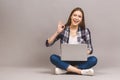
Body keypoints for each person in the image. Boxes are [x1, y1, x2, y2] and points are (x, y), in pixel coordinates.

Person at [45, 7, 97, 76]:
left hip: (80, 61)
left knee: (94, 59)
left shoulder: (85, 31)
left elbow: (90, 49)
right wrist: (57, 32)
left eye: (79, 16)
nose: (76, 18)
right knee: (53, 57)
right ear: (71, 17)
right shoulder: (63, 30)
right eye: (74, 15)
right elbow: (48, 43)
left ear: (81, 19)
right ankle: (80, 71)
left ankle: (65, 70)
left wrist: (81, 53)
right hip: (65, 60)